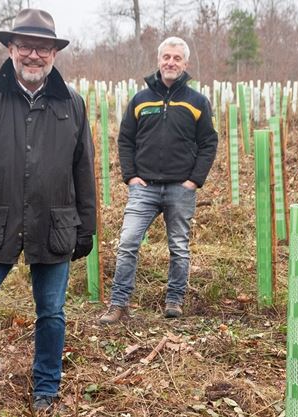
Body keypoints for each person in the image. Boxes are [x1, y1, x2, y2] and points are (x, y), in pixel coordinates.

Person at [0, 8, 96, 412]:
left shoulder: (72, 103)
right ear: (10, 48)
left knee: (52, 312)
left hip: (53, 223)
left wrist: (86, 228)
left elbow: (83, 168)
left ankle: (46, 390)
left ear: (54, 54)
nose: (33, 55)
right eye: (25, 46)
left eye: (42, 48)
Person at [98, 36, 218, 323]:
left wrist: (194, 180)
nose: (171, 62)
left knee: (178, 246)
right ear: (159, 60)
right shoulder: (140, 100)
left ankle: (174, 300)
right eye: (167, 57)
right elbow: (125, 139)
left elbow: (208, 143)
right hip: (144, 188)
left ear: (185, 64)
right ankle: (118, 304)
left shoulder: (197, 102)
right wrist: (131, 176)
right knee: (127, 242)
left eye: (177, 58)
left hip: (181, 188)